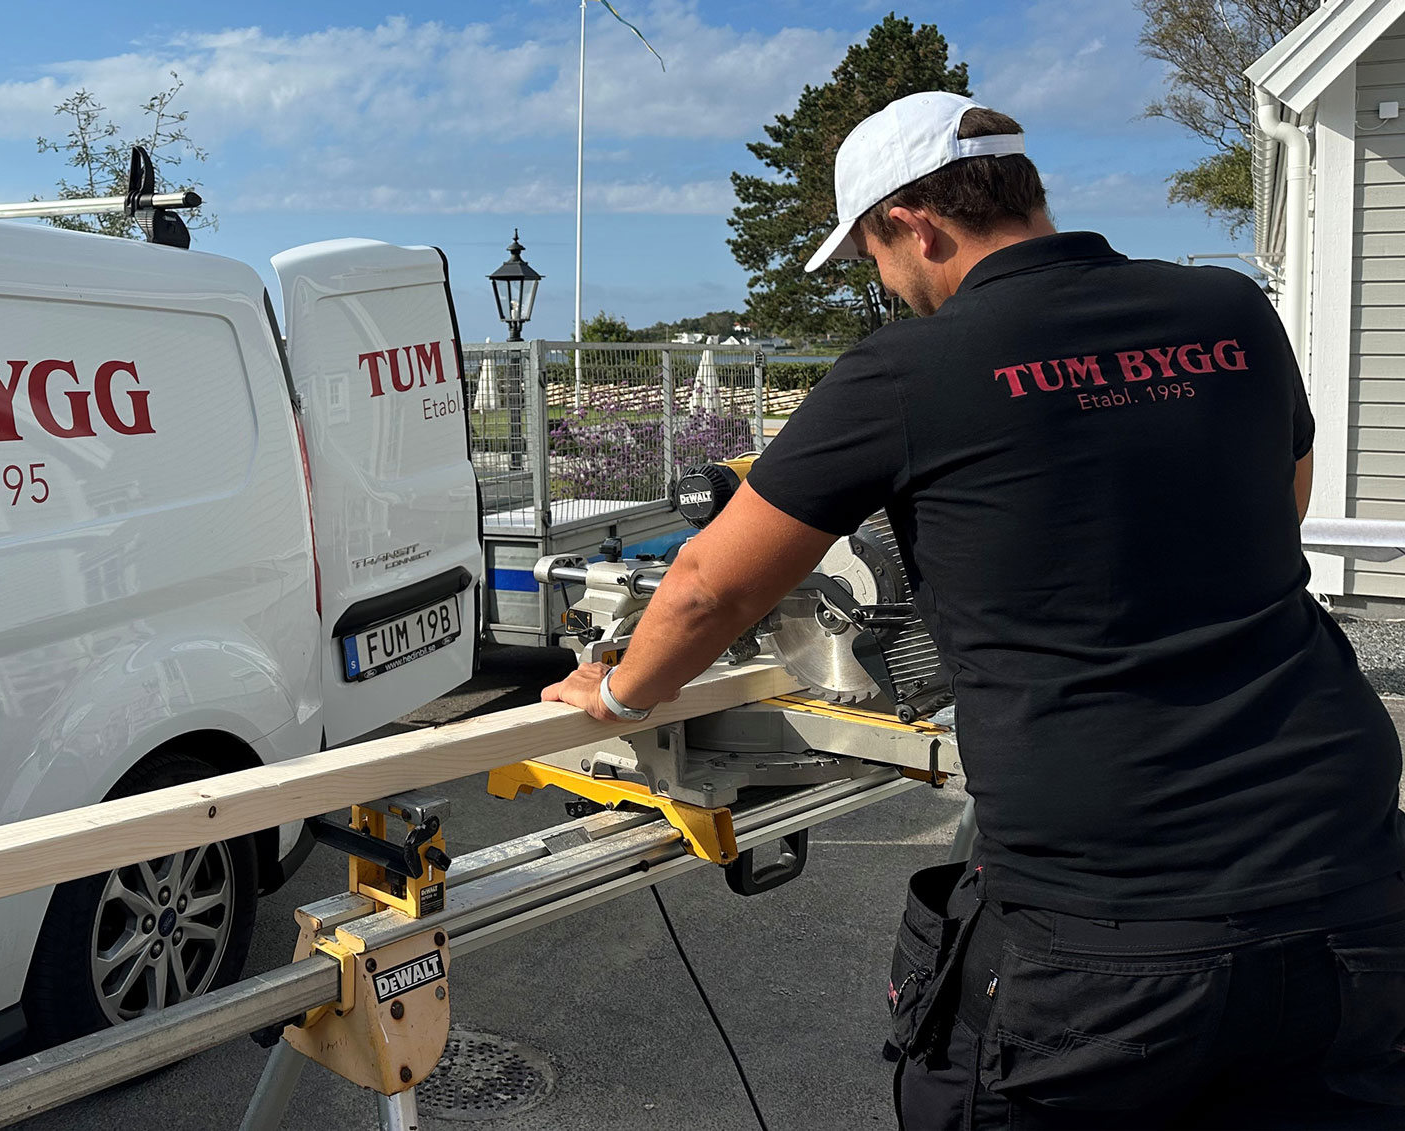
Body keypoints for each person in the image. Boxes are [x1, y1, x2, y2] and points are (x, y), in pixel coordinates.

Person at [541, 91, 1405, 1129]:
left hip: (1111, 916)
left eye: (871, 254)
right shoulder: (1227, 309)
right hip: (1345, 873)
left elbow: (707, 585)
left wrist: (620, 693)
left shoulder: (910, 369)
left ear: (913, 224)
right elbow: (1282, 502)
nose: (884, 283)